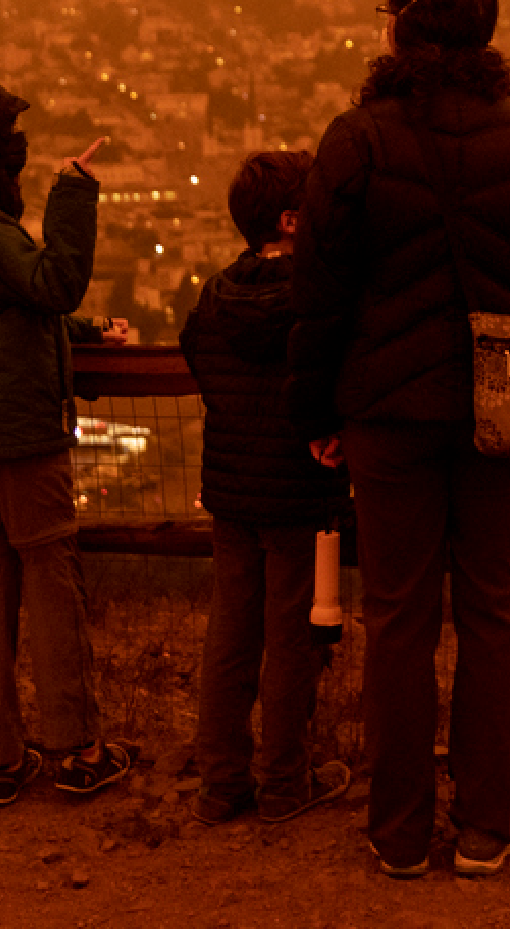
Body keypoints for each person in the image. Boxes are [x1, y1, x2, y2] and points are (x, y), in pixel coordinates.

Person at [286, 0, 510, 878]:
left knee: (401, 617)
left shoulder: (357, 140)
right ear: (485, 35)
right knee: (496, 613)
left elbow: (321, 294)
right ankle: (488, 823)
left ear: (399, 31)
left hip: (385, 408)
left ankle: (399, 829)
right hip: (505, 407)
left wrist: (318, 406)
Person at [0, 75, 138, 808]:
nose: (17, 147)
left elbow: (1, 312)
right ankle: (78, 746)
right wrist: (73, 193)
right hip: (15, 425)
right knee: (49, 572)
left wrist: (84, 337)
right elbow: (56, 281)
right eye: (6, 133)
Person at [181, 149, 353, 826]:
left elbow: (200, 361)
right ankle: (284, 779)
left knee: (229, 633)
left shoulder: (213, 297)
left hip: (230, 491)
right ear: (289, 221)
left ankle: (221, 781)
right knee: (292, 641)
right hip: (300, 494)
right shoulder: (315, 305)